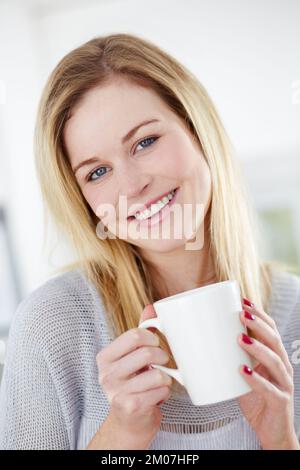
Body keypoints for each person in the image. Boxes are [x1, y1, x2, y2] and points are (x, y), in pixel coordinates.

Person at [0, 33, 299, 450]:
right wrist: (121, 436)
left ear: (198, 131)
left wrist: (281, 439)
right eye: (97, 172)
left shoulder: (295, 313)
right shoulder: (53, 325)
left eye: (145, 142)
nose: (133, 186)